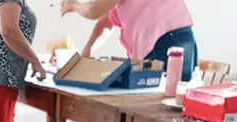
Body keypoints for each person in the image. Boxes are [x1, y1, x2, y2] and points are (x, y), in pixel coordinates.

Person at [61, 0, 198, 81]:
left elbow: (93, 10)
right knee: (171, 106)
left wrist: (73, 5)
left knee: (160, 107)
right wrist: (87, 51)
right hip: (179, 38)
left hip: (166, 42)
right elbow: (104, 24)